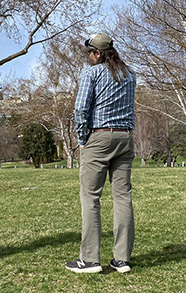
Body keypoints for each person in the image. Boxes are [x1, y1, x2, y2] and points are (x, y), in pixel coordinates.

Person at [65, 34, 136, 274]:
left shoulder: (91, 73)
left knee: (90, 197)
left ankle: (90, 260)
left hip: (100, 137)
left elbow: (80, 108)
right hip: (125, 138)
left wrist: (82, 140)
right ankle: (122, 259)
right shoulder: (130, 74)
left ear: (97, 53)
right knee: (123, 197)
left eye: (89, 53)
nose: (88, 57)